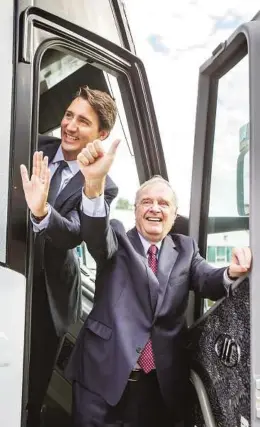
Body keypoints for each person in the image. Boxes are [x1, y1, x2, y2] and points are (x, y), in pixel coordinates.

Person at [66, 139, 252, 427]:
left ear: (174, 215)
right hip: (102, 380)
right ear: (136, 209)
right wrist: (93, 184)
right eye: (147, 202)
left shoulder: (186, 249)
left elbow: (208, 279)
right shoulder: (116, 239)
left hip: (156, 388)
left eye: (163, 203)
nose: (155, 208)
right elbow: (94, 232)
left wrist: (232, 271)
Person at [20, 87, 118, 427]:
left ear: (101, 135)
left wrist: (43, 211)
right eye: (68, 115)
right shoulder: (30, 144)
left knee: (30, 390)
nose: (70, 126)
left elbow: (74, 234)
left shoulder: (102, 184)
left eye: (83, 121)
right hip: (12, 274)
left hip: (50, 298)